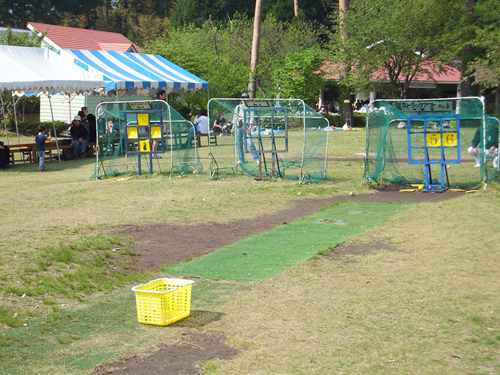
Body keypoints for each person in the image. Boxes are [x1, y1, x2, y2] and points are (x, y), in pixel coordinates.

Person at [233, 93, 259, 164]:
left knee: (250, 143)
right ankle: (241, 159)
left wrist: (250, 127)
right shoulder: (238, 107)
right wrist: (234, 126)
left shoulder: (250, 107)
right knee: (239, 143)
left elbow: (252, 117)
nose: (244, 99)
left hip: (247, 127)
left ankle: (256, 159)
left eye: (245, 97)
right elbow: (235, 117)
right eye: (242, 97)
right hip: (238, 127)